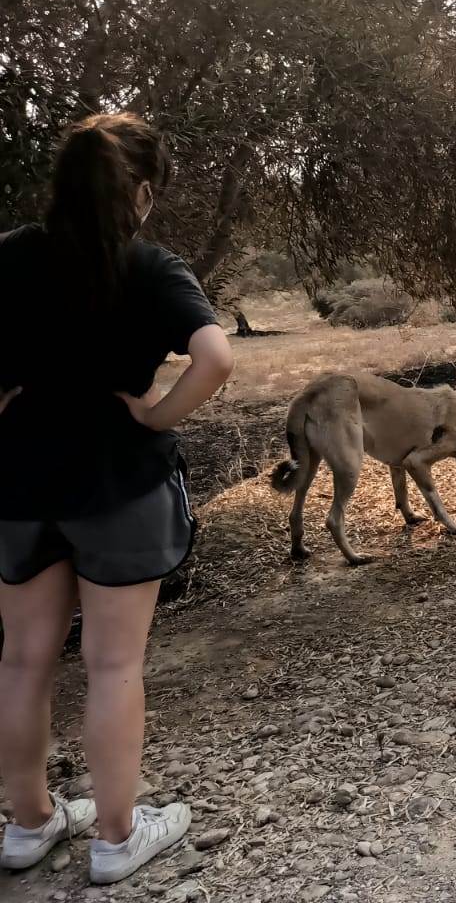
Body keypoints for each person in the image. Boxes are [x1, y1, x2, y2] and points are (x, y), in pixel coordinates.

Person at [0, 114, 234, 886]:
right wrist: (157, 413)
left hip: (24, 484)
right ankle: (115, 838)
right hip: (120, 485)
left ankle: (28, 825)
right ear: (139, 192)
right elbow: (214, 357)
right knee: (112, 665)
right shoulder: (150, 266)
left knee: (24, 660)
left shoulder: (14, 256)